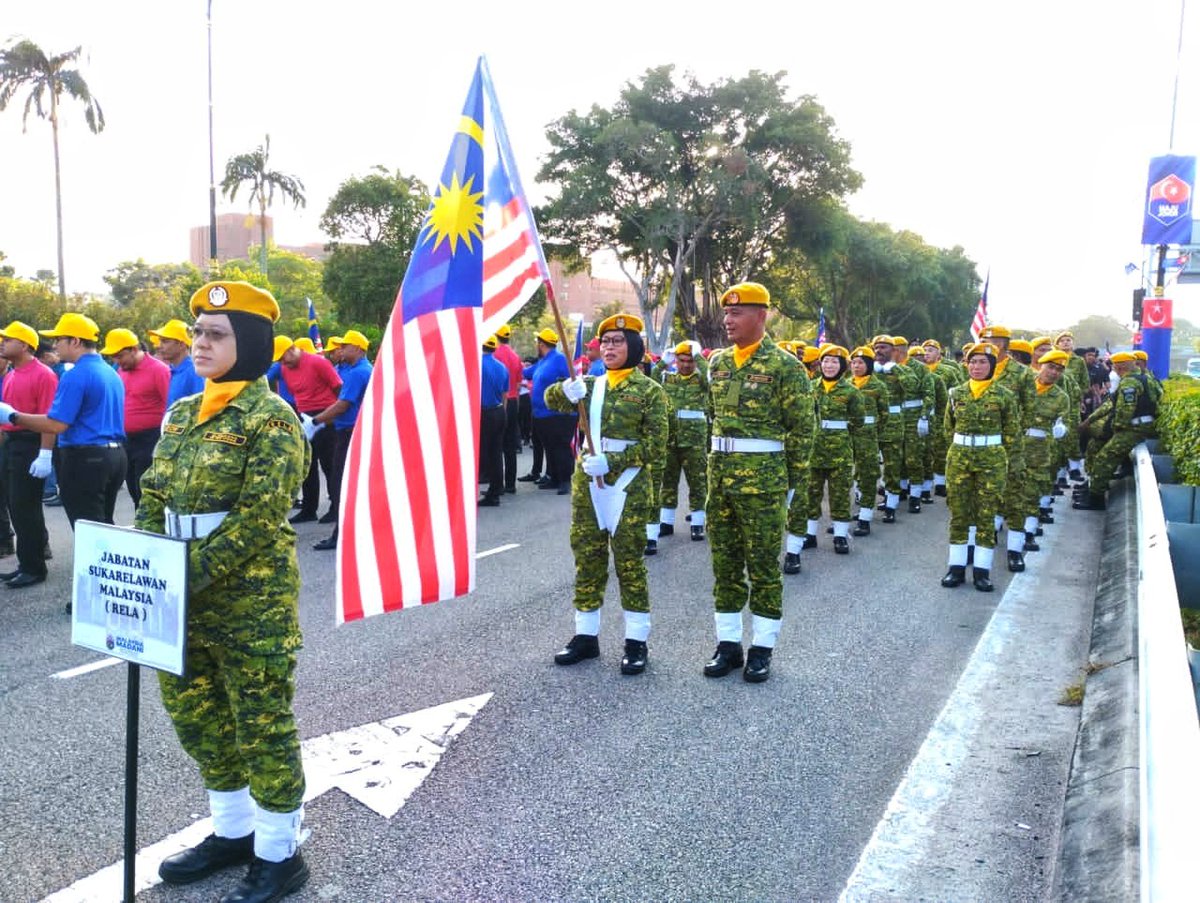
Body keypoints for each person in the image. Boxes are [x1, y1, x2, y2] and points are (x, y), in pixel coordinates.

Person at [141, 281, 311, 902]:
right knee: (199, 720)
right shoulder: (184, 412)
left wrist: (178, 574)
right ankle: (233, 832)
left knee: (261, 725)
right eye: (196, 333)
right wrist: (142, 561)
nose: (199, 344)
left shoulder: (273, 419)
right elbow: (154, 495)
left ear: (253, 344)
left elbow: (259, 517)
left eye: (216, 334)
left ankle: (278, 852)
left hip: (249, 605)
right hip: (180, 600)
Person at [545, 313, 668, 675]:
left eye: (618, 341)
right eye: (606, 342)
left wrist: (613, 461)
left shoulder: (649, 391)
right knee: (588, 559)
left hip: (627, 486)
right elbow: (551, 400)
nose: (610, 347)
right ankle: (586, 636)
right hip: (588, 487)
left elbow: (656, 446)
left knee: (630, 564)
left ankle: (636, 642)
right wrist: (565, 390)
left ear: (634, 346)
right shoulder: (591, 385)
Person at [704, 283, 812, 682]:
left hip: (764, 485)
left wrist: (789, 483)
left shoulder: (785, 367)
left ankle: (762, 648)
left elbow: (803, 430)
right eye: (727, 313)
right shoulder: (716, 363)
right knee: (725, 566)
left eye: (738, 313)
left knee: (764, 568)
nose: (728, 320)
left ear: (762, 316)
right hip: (722, 482)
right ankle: (728, 645)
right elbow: (710, 418)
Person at [940, 343, 1019, 592]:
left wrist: (1000, 457)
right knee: (959, 512)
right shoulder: (955, 394)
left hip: (991, 458)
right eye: (972, 362)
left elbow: (1012, 431)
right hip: (960, 457)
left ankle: (982, 571)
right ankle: (956, 568)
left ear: (992, 366)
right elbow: (947, 428)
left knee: (986, 514)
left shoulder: (1004, 396)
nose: (976, 367)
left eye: (982, 362)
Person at [0, 321, 57, 587]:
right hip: (12, 443)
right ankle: (26, 561)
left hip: (30, 443)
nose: (2, 343)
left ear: (23, 344)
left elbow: (50, 418)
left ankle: (35, 567)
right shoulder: (11, 374)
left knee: (26, 508)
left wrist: (45, 454)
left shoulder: (43, 374)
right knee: (15, 506)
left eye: (7, 339)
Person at [1007, 349, 1072, 570]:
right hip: (1014, 445)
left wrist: (1062, 428)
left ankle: (1028, 533)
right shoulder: (1022, 387)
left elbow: (1066, 421)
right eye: (1051, 367)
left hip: (1040, 449)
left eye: (1059, 370)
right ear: (1040, 365)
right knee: (1007, 488)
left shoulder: (1061, 397)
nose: (1054, 373)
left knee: (1032, 492)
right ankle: (996, 527)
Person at [308, 331, 373, 551]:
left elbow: (343, 404)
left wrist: (315, 420)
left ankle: (342, 536)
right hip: (348, 430)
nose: (340, 349)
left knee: (340, 484)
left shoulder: (358, 373)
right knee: (346, 483)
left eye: (345, 346)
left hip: (349, 431)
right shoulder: (354, 369)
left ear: (357, 348)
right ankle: (349, 532)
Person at [1073, 351, 1156, 510]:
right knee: (1096, 446)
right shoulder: (1144, 379)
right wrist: (1090, 421)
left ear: (1120, 367)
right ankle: (1092, 487)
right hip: (1139, 427)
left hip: (1133, 428)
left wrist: (1116, 428)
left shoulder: (1130, 383)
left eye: (1115, 367)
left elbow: (1125, 411)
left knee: (1104, 458)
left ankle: (1096, 499)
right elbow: (1110, 404)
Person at [802, 345, 864, 554]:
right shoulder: (810, 387)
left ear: (842, 366)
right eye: (826, 361)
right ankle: (809, 534)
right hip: (813, 450)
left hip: (840, 451)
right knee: (811, 493)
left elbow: (858, 421)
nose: (829, 366)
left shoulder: (851, 391)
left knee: (839, 494)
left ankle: (840, 536)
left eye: (834, 362)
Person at [650, 340, 710, 550]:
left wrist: (700, 357)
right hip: (670, 439)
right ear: (676, 360)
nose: (686, 365)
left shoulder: (701, 379)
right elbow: (651, 384)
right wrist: (661, 364)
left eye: (690, 361)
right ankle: (666, 521)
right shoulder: (668, 378)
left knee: (697, 482)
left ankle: (697, 522)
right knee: (668, 481)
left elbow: (713, 383)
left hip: (694, 441)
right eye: (682, 360)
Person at [101, 328, 170, 508]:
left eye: (120, 356)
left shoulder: (158, 370)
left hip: (150, 438)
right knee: (132, 486)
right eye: (113, 357)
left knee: (144, 489)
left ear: (133, 349)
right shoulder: (122, 371)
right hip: (126, 440)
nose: (117, 361)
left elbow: (171, 407)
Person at [279, 337, 342, 523]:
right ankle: (309, 508)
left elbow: (338, 387)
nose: (283, 363)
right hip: (304, 416)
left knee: (329, 464)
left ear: (292, 349)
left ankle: (336, 507)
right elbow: (292, 391)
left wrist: (332, 415)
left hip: (326, 415)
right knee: (306, 465)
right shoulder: (285, 368)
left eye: (284, 358)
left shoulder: (317, 362)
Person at [871, 335, 919, 523]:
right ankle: (868, 502)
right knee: (868, 465)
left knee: (892, 466)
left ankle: (891, 504)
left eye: (883, 347)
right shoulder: (870, 370)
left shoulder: (900, 370)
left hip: (892, 422)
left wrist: (897, 369)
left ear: (893, 351)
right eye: (876, 348)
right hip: (871, 424)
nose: (879, 351)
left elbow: (913, 386)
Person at [523, 328, 573, 495]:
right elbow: (526, 373)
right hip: (542, 415)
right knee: (550, 448)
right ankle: (554, 477)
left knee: (561, 448)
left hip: (557, 415)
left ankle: (565, 480)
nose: (536, 345)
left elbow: (571, 382)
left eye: (538, 343)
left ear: (542, 344)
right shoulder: (542, 361)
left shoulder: (560, 360)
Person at [848, 345, 888, 535]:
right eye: (854, 362)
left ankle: (865, 517)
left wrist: (873, 432)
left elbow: (884, 414)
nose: (856, 366)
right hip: (847, 436)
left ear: (869, 364)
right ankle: (850, 513)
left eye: (861, 363)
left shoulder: (878, 386)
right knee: (849, 475)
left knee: (869, 474)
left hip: (868, 436)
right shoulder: (846, 384)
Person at [491, 324, 524, 494]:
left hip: (497, 403)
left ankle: (497, 485)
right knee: (510, 446)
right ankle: (510, 483)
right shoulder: (515, 357)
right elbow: (518, 385)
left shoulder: (493, 354)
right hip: (512, 402)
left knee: (496, 446)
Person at [478, 334, 509, 508]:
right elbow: (505, 394)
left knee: (487, 454)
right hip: (499, 411)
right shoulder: (502, 367)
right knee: (496, 452)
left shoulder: (477, 364)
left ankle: (493, 493)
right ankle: (496, 488)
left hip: (485, 413)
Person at [150, 318, 207, 407]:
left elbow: (202, 406)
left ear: (181, 345)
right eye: (160, 341)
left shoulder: (195, 372)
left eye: (165, 341)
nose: (159, 346)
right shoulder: (173, 371)